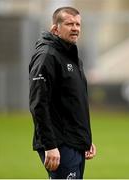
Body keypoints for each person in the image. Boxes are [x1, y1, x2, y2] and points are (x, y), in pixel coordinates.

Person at [29, 6, 96, 179]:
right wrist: (50, 146)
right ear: (55, 29)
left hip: (75, 142)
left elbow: (74, 102)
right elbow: (38, 104)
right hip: (59, 144)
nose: (75, 28)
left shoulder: (72, 56)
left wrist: (85, 139)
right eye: (69, 24)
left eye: (78, 24)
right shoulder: (47, 56)